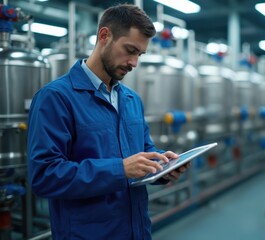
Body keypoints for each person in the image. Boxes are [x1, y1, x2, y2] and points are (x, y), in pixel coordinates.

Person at [27, 3, 190, 239]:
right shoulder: (56, 98)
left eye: (140, 55)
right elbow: (44, 176)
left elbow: (144, 151)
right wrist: (119, 169)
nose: (134, 63)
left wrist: (163, 166)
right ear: (104, 36)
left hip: (137, 230)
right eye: (130, 50)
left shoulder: (131, 99)